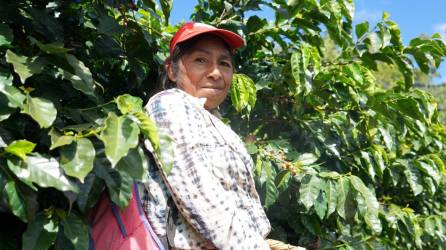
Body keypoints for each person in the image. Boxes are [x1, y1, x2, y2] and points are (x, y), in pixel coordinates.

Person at [141, 22, 271, 250]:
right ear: (171, 69)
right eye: (201, 60)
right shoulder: (170, 106)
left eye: (225, 63)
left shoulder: (214, 122)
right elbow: (204, 204)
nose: (215, 73)